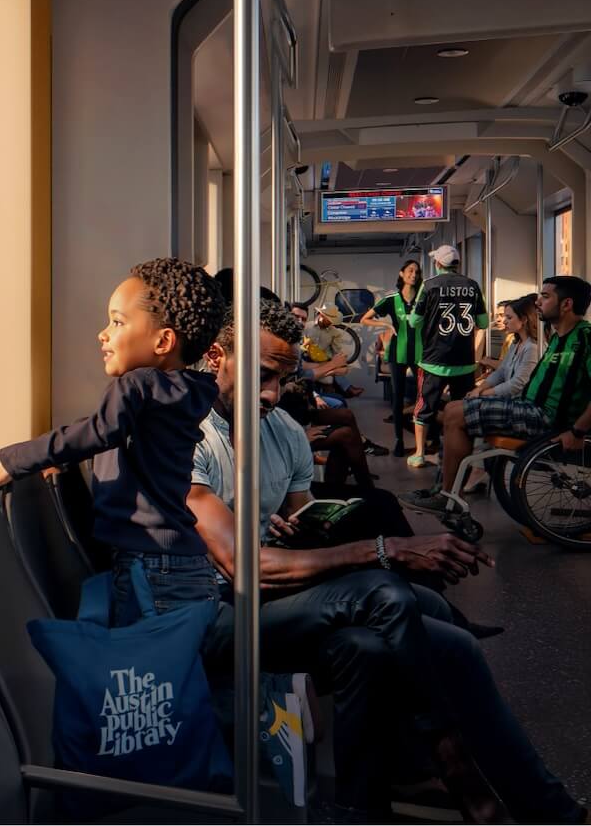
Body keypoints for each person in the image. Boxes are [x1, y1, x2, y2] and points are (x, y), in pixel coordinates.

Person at [188, 298, 585, 821]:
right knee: (385, 588)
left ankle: (548, 809)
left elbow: (303, 517)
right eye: (262, 376)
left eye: (281, 380)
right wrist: (386, 549)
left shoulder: (279, 428)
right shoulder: (189, 435)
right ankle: (451, 764)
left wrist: (312, 522)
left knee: (435, 643)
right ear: (217, 356)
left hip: (274, 595)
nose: (272, 393)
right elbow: (244, 568)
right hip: (215, 609)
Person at [0, 257, 225, 625]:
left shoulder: (136, 385)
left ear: (163, 340)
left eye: (117, 322)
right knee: (178, 671)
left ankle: (283, 686)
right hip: (181, 564)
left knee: (147, 676)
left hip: (150, 567)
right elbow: (117, 438)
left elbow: (100, 431)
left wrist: (10, 461)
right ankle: (287, 685)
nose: (103, 333)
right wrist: (63, 458)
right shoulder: (185, 391)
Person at [409, 275, 591, 520]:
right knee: (453, 408)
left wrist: (577, 432)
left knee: (456, 414)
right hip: (529, 408)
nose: (538, 301)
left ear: (566, 304)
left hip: (546, 419)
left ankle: (448, 495)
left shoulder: (585, 338)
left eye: (546, 296)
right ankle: (446, 492)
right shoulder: (558, 337)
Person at [407, 246, 485, 469]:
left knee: (423, 408)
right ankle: (463, 457)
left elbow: (414, 322)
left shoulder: (429, 286)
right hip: (464, 362)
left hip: (433, 360)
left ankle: (420, 454)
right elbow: (483, 323)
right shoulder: (472, 285)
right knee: (462, 411)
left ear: (438, 264)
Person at [367, 258, 426, 455]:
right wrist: (386, 325)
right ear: (401, 273)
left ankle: (424, 442)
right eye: (410, 271)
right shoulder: (391, 299)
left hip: (419, 354)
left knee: (422, 396)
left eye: (416, 272)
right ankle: (399, 440)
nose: (413, 275)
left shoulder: (424, 298)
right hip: (397, 353)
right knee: (397, 396)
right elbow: (365, 319)